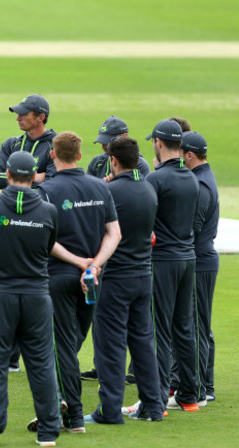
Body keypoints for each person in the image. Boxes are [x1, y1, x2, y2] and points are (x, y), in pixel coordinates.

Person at [0, 151, 61, 448]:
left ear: (7, 175)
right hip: (36, 296)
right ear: (34, 176)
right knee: (42, 363)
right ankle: (48, 431)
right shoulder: (49, 211)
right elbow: (48, 247)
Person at [34, 131, 121, 433]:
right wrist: (94, 265)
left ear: (53, 157)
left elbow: (47, 239)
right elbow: (114, 234)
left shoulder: (45, 190)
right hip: (93, 280)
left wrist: (79, 262)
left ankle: (72, 415)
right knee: (70, 346)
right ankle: (59, 402)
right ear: (81, 156)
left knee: (63, 348)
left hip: (58, 277)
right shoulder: (100, 186)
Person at [82, 137, 163, 424]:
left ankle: (109, 410)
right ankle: (153, 407)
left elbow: (98, 233)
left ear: (113, 161)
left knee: (111, 345)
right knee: (142, 342)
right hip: (143, 276)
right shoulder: (149, 189)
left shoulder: (109, 191)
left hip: (115, 279)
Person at [81, 115, 150, 383]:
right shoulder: (97, 163)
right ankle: (101, 365)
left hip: (124, 246)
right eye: (102, 144)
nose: (104, 150)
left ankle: (132, 368)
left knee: (130, 318)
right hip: (101, 245)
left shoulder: (139, 166)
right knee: (99, 310)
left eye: (108, 145)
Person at [143, 119, 200, 412]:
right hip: (187, 259)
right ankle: (189, 397)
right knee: (184, 327)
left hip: (163, 260)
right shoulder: (191, 177)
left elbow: (144, 221)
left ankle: (157, 396)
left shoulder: (155, 180)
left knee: (159, 329)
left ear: (159, 143)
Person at [181, 131, 219, 403]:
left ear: (189, 155)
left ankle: (202, 390)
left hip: (200, 261)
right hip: (201, 260)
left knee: (197, 326)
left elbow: (193, 228)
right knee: (198, 325)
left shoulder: (201, 184)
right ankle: (205, 387)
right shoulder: (203, 178)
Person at [0, 94, 56, 189]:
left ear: (40, 117)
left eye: (24, 114)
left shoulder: (56, 145)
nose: (18, 118)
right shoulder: (10, 144)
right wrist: (37, 177)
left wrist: (13, 175)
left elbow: (53, 183)